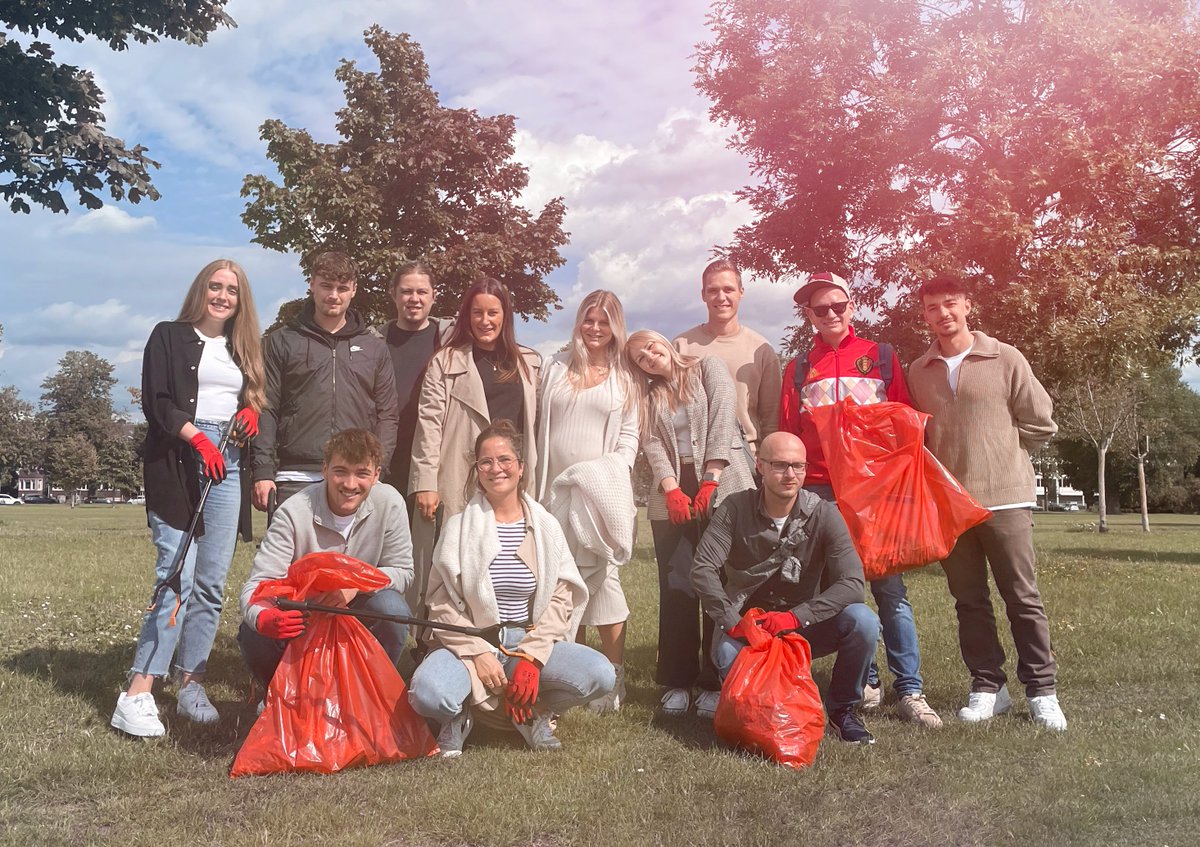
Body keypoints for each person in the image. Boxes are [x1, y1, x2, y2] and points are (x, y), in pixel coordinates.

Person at [778, 271, 942, 728]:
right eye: (819, 309)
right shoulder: (796, 368)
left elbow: (906, 422)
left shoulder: (881, 357)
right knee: (842, 589)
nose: (830, 314)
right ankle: (866, 679)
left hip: (875, 490)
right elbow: (788, 434)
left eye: (838, 305)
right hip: (819, 491)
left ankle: (910, 689)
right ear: (808, 315)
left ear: (852, 306)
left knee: (890, 589)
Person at [110, 259, 266, 738]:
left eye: (232, 291)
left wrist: (252, 414)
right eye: (215, 287)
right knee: (177, 575)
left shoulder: (244, 348)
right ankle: (138, 692)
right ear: (201, 289)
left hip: (229, 461)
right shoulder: (168, 335)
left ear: (242, 301)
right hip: (180, 458)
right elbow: (156, 401)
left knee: (211, 583)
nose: (222, 296)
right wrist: (195, 437)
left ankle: (192, 682)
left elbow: (257, 400)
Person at [907, 277, 1066, 730]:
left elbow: (1040, 420)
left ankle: (1042, 691)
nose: (943, 314)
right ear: (925, 315)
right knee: (969, 600)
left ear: (967, 306)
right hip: (951, 507)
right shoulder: (919, 370)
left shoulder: (1005, 356)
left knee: (1023, 597)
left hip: (1007, 500)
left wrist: (1004, 456)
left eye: (950, 304)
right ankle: (987, 688)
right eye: (933, 307)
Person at [408, 420, 615, 756]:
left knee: (600, 675)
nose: (495, 468)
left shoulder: (545, 525)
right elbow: (440, 602)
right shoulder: (459, 527)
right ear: (477, 471)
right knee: (428, 693)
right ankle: (461, 715)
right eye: (486, 462)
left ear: (520, 467)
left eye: (504, 459)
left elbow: (561, 598)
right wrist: (477, 652)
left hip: (528, 637)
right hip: (471, 640)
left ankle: (529, 711)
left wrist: (530, 658)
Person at [692, 432, 881, 744]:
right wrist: (732, 622)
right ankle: (767, 712)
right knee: (728, 656)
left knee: (863, 621)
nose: (790, 475)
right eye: (780, 465)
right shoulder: (734, 508)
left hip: (803, 626)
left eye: (798, 466)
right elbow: (702, 569)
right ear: (760, 467)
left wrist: (795, 618)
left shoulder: (824, 513)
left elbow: (852, 583)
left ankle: (842, 710)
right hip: (748, 629)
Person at [625, 329, 755, 719]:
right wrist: (670, 489)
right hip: (674, 492)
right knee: (678, 581)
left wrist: (711, 478)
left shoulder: (707, 368)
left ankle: (717, 678)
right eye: (640, 359)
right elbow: (651, 442)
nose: (650, 357)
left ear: (663, 342)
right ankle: (678, 681)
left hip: (723, 480)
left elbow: (722, 417)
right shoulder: (647, 396)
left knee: (723, 581)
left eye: (651, 347)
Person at [237, 429, 414, 692]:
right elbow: (258, 584)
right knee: (253, 632)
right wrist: (263, 618)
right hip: (305, 612)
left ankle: (365, 694)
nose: (350, 484)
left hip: (359, 605)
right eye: (340, 471)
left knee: (394, 609)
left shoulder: (390, 503)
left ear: (376, 475)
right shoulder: (293, 512)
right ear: (324, 470)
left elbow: (403, 571)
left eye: (362, 473)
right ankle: (278, 694)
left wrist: (355, 587)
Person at [408, 277, 542, 610]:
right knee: (453, 557)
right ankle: (437, 636)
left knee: (506, 557)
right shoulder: (445, 362)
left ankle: (506, 627)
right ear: (466, 316)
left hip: (510, 479)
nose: (485, 321)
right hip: (459, 473)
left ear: (505, 315)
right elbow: (428, 426)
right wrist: (425, 482)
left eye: (493, 313)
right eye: (477, 313)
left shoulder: (529, 363)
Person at [535, 290, 639, 713]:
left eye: (604, 322)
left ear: (615, 327)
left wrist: (604, 476)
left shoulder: (625, 377)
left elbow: (630, 438)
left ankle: (613, 678)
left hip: (597, 496)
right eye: (588, 320)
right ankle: (573, 674)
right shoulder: (555, 366)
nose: (595, 329)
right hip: (551, 494)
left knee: (604, 584)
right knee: (560, 585)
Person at [252, 251, 399, 512]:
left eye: (342, 288)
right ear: (312, 284)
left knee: (353, 555)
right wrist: (263, 470)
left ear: (353, 290)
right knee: (298, 555)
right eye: (326, 286)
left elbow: (387, 414)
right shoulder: (281, 341)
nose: (334, 295)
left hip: (356, 475)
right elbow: (266, 408)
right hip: (296, 475)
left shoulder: (374, 346)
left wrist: (378, 468)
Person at [675, 258, 781, 456]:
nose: (721, 297)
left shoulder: (762, 350)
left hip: (746, 460)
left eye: (728, 289)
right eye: (713, 290)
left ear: (741, 292)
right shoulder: (681, 347)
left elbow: (771, 421)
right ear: (703, 295)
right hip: (693, 458)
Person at [369, 261, 454, 493]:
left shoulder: (451, 342)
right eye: (406, 291)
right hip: (382, 463)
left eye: (422, 291)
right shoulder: (373, 343)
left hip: (435, 465)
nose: (414, 298)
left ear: (433, 295)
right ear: (393, 295)